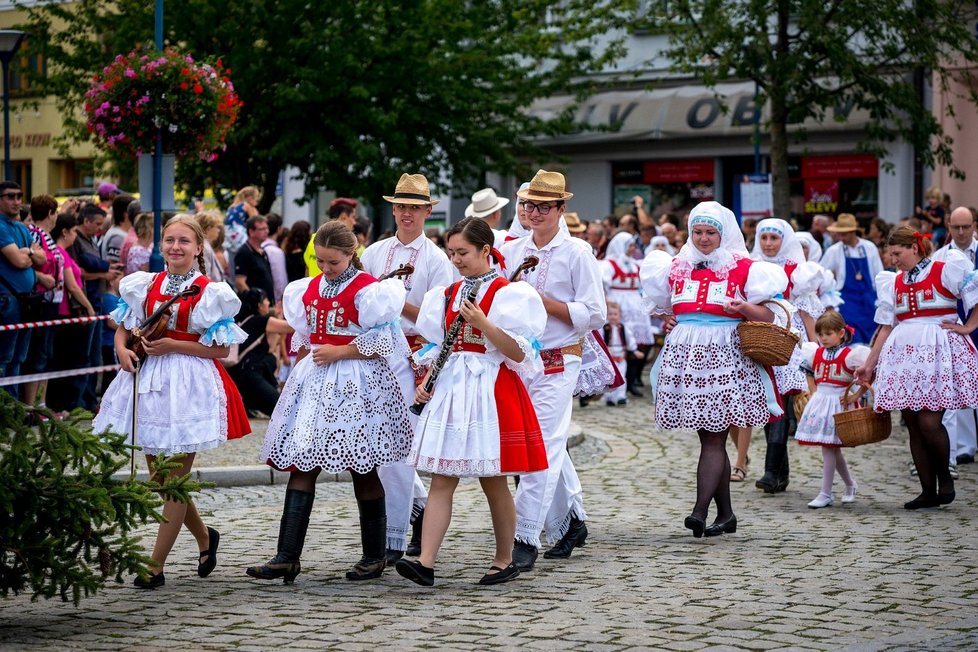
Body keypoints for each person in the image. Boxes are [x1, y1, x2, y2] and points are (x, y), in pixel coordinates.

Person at [246, 222, 412, 584]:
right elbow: (305, 337)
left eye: (332, 262)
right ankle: (287, 556)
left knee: (362, 466)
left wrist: (343, 350)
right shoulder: (307, 288)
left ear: (351, 254)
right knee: (302, 463)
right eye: (319, 261)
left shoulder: (369, 291)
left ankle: (374, 555)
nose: (324, 268)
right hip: (316, 383)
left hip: (356, 383)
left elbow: (385, 343)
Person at [93, 215, 251, 588]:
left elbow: (222, 349)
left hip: (188, 385)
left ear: (199, 248)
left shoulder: (210, 292)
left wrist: (173, 345)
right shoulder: (146, 283)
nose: (175, 247)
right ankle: (204, 538)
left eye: (183, 241)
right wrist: (121, 351)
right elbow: (125, 325)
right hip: (148, 380)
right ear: (160, 245)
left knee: (175, 478)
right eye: (169, 240)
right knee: (163, 479)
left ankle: (154, 565)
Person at [395, 217, 547, 587]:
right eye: (451, 253)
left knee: (493, 479)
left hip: (492, 389)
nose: (457, 260)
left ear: (485, 250)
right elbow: (439, 348)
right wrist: (427, 382)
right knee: (442, 478)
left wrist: (485, 323)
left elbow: (519, 353)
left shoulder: (511, 293)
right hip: (451, 390)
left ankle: (504, 558)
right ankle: (426, 563)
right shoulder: (446, 294)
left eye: (463, 252)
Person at [639, 201, 788, 537]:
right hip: (689, 363)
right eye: (698, 232)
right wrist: (669, 318)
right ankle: (726, 515)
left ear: (724, 234)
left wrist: (745, 306)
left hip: (726, 361)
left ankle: (699, 510)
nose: (704, 238)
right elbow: (665, 308)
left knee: (713, 438)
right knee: (710, 438)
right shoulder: (676, 266)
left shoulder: (745, 268)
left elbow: (771, 317)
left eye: (710, 232)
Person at [500, 170, 606, 568]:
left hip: (561, 357)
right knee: (539, 440)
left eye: (544, 206)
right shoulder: (513, 251)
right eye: (528, 205)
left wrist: (544, 302)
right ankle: (570, 519)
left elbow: (594, 313)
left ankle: (524, 536)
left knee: (540, 443)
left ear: (562, 208)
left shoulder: (577, 253)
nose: (534, 212)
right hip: (518, 359)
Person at [360, 174, 455, 563]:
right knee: (377, 447)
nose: (406, 214)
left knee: (401, 448)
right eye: (400, 206)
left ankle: (393, 537)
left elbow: (441, 322)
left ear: (427, 211)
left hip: (412, 356)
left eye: (414, 208)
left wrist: (395, 303)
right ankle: (407, 514)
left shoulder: (436, 261)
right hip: (373, 354)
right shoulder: (373, 253)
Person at [855, 226, 978, 509]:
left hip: (937, 353)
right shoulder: (893, 282)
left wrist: (969, 326)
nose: (893, 259)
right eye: (890, 254)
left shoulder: (945, 268)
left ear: (914, 247)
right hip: (904, 356)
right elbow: (886, 327)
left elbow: (976, 289)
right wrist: (869, 365)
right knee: (912, 423)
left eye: (897, 253)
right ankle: (927, 490)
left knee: (929, 421)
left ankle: (945, 479)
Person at [749, 218, 825, 492]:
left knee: (779, 401)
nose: (769, 243)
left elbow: (806, 313)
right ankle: (780, 473)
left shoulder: (796, 271)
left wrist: (815, 350)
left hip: (789, 340)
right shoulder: (750, 267)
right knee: (767, 401)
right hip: (758, 338)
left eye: (774, 238)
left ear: (785, 240)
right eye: (765, 237)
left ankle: (771, 471)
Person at [795, 311, 869, 508]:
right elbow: (809, 372)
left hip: (838, 403)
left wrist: (856, 395)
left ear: (841, 333)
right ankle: (849, 484)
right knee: (830, 448)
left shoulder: (850, 355)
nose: (823, 338)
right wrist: (813, 392)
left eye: (828, 334)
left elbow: (869, 374)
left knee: (830, 448)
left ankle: (826, 492)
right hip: (821, 402)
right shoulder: (816, 352)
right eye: (821, 334)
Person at [932, 206, 978, 468]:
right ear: (948, 227)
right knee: (961, 384)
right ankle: (964, 446)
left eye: (966, 227)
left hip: (975, 321)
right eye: (956, 227)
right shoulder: (940, 256)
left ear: (974, 226)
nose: (961, 232)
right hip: (955, 324)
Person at [45, 214, 96, 412]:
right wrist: (89, 308)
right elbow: (73, 286)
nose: (75, 235)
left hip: (67, 313)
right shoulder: (60, 252)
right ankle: (66, 404)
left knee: (68, 358)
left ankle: (66, 404)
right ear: (65, 232)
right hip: (66, 313)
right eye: (74, 231)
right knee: (70, 359)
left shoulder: (63, 252)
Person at [0, 182, 45, 382]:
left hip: (25, 301)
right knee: (5, 358)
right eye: (10, 196)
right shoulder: (1, 227)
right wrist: (28, 254)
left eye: (19, 196)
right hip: (7, 300)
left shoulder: (20, 227)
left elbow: (42, 258)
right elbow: (18, 261)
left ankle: (14, 409)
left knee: (19, 358)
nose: (17, 201)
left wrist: (28, 251)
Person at [225, 288, 292, 417]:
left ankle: (249, 404)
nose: (268, 302)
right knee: (283, 410)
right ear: (259, 305)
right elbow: (290, 327)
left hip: (240, 376)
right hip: (251, 376)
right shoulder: (260, 320)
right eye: (266, 300)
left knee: (276, 411)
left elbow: (272, 348)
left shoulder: (243, 321)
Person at [600, 231, 651, 396]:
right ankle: (616, 381)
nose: (632, 248)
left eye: (633, 245)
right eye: (629, 245)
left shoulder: (636, 264)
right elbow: (602, 285)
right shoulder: (609, 264)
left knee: (639, 342)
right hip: (617, 305)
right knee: (618, 340)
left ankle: (633, 378)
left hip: (636, 307)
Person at [820, 213, 884, 344]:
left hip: (868, 297)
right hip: (846, 299)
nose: (841, 237)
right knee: (850, 326)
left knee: (872, 326)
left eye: (844, 234)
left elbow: (879, 274)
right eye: (839, 234)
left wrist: (881, 298)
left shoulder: (869, 247)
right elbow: (821, 273)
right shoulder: (834, 250)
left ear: (853, 232)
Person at [599, 302, 642, 406]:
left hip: (621, 356)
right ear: (606, 315)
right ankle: (609, 397)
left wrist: (634, 350)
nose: (613, 317)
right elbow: (599, 341)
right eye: (610, 314)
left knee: (622, 377)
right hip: (609, 356)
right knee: (610, 377)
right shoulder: (604, 328)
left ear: (619, 315)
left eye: (615, 314)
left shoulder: (623, 328)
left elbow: (630, 339)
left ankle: (621, 397)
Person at [304, 197, 359, 276]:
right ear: (343, 217)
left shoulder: (314, 238)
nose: (354, 222)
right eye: (353, 217)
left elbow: (307, 270)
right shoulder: (344, 242)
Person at [234, 215, 275, 300]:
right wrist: (255, 301)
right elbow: (240, 282)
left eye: (267, 228)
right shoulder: (244, 252)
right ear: (251, 232)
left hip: (267, 304)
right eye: (262, 229)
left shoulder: (263, 252)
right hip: (256, 307)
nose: (266, 231)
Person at [224, 185, 261, 268]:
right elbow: (257, 221)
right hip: (240, 237)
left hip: (229, 239)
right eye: (256, 197)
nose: (257, 201)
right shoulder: (246, 206)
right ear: (250, 198)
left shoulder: (232, 207)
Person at [100, 193, 135, 264]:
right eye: (135, 211)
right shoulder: (117, 237)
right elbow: (115, 266)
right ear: (126, 214)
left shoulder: (120, 232)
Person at [196, 210, 229, 283]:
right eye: (217, 227)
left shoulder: (205, 246)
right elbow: (205, 276)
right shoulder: (204, 248)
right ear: (208, 229)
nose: (219, 231)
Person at [262, 213, 288, 303]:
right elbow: (280, 280)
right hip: (274, 300)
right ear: (278, 228)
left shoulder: (258, 248)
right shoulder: (276, 252)